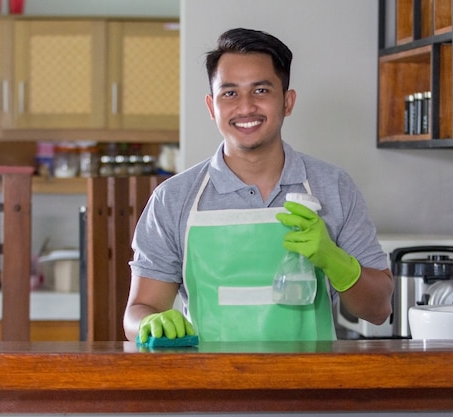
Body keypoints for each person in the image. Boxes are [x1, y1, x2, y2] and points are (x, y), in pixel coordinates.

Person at [123, 27, 393, 343]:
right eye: (230, 93)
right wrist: (150, 323)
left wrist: (334, 260)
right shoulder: (173, 198)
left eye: (261, 91)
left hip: (310, 386)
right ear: (212, 107)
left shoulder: (333, 186)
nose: (246, 107)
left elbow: (378, 310)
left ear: (288, 102)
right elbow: (140, 308)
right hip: (208, 387)